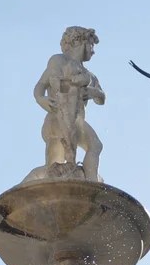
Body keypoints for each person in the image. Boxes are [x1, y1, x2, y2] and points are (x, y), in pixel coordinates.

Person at [33, 26, 105, 181]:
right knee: (54, 164)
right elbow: (41, 85)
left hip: (77, 121)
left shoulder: (90, 75)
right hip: (57, 118)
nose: (93, 51)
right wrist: (41, 99)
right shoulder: (59, 61)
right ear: (82, 42)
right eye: (92, 45)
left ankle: (91, 184)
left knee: (96, 146)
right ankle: (32, 186)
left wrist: (94, 92)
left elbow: (102, 99)